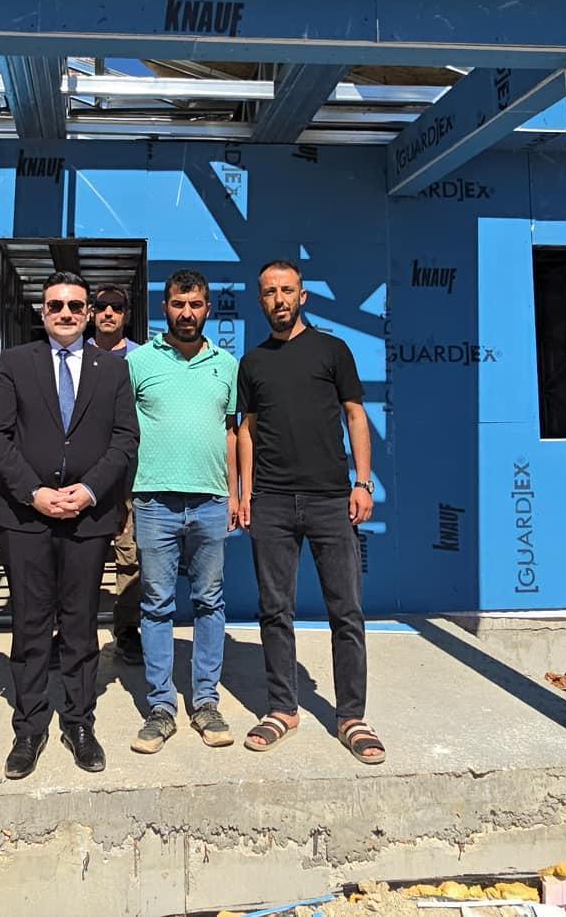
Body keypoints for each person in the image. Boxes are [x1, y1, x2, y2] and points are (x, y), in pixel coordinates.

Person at [0, 272, 139, 778]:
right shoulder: (15, 362)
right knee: (30, 627)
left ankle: (78, 723)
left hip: (87, 518)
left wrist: (90, 490)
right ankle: (29, 728)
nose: (66, 313)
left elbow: (124, 439)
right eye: (56, 305)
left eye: (75, 305)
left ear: (89, 312)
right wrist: (35, 492)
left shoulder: (112, 369)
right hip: (25, 516)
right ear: (42, 311)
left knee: (80, 626)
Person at [236, 259, 385, 765]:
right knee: (274, 610)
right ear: (261, 300)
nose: (278, 299)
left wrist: (362, 482)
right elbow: (248, 431)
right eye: (269, 292)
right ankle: (283, 709)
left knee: (346, 611)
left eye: (287, 290)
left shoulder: (332, 350)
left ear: (302, 297)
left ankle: (352, 717)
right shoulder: (253, 362)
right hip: (273, 502)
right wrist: (246, 493)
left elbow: (355, 416)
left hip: (329, 500)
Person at [124, 269, 240, 754]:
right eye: (178, 304)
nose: (186, 313)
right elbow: (122, 432)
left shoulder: (227, 365)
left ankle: (206, 702)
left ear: (207, 308)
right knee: (156, 605)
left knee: (210, 601)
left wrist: (236, 492)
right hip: (154, 502)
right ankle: (161, 707)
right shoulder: (138, 362)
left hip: (211, 501)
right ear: (164, 307)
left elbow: (232, 432)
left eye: (195, 304)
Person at [86, 284, 143, 662]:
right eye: (102, 306)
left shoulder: (142, 358)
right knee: (78, 559)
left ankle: (126, 630)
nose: (109, 313)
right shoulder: (74, 353)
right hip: (81, 473)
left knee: (130, 556)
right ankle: (73, 632)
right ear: (91, 312)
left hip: (130, 474)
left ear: (126, 314)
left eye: (117, 307)